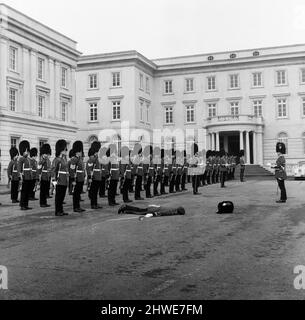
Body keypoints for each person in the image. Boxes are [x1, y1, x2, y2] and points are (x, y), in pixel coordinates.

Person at [51, 140, 69, 216]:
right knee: (58, 196)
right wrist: (54, 181)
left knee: (62, 196)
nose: (66, 151)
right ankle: (57, 211)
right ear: (61, 150)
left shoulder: (64, 159)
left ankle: (61, 210)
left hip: (64, 180)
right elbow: (53, 171)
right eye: (65, 149)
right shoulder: (57, 160)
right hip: (59, 180)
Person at [86, 141, 103, 209]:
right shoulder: (92, 158)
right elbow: (89, 168)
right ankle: (93, 204)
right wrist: (90, 177)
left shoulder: (96, 157)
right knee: (93, 191)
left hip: (98, 176)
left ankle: (95, 203)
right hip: (94, 177)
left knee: (96, 191)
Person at [70, 141, 86, 213]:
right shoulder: (74, 159)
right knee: (76, 194)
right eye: (80, 151)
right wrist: (73, 179)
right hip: (77, 178)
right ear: (77, 151)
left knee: (78, 193)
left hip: (80, 178)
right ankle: (75, 207)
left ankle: (78, 206)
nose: (81, 152)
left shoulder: (80, 159)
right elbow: (72, 170)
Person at [17, 140, 32, 211]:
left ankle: (26, 204)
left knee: (27, 192)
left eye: (27, 150)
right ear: (22, 151)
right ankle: (22, 205)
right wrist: (21, 177)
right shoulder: (21, 159)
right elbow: (19, 169)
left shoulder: (28, 159)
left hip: (29, 177)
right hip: (24, 177)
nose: (27, 152)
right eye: (26, 150)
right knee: (24, 192)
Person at [118, 203, 185, 218]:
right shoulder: (172, 211)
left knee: (140, 210)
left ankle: (125, 210)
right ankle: (125, 207)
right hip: (154, 209)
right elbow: (163, 213)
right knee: (139, 212)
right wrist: (153, 214)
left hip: (155, 207)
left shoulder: (173, 208)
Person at [38, 144, 52, 208]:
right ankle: (42, 203)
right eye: (46, 153)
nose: (47, 155)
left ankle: (45, 202)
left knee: (46, 190)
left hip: (47, 176)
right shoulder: (42, 160)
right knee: (43, 190)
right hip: (43, 176)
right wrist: (39, 176)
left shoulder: (48, 160)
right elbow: (39, 167)